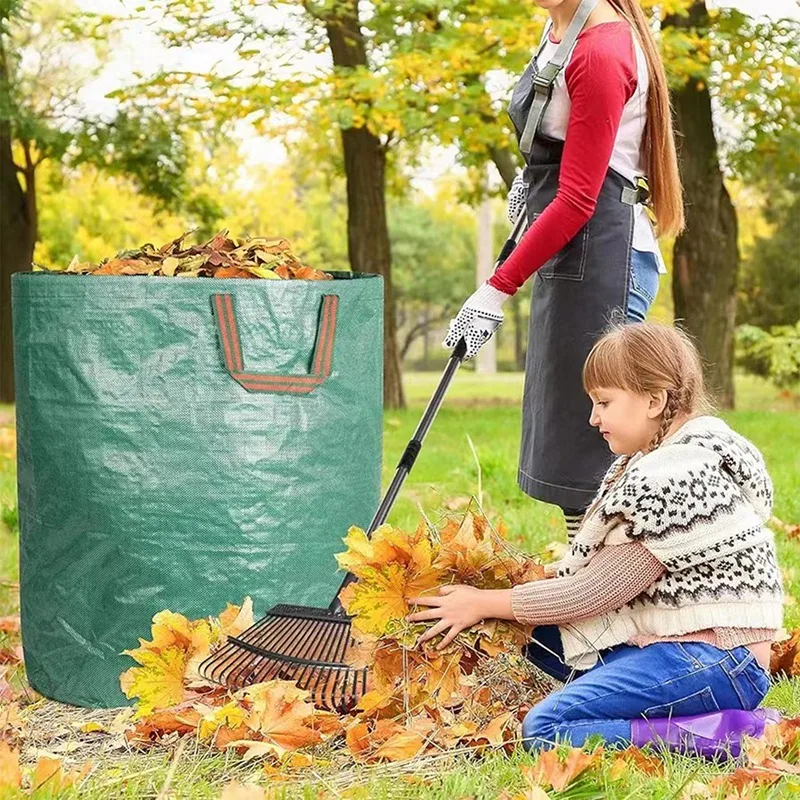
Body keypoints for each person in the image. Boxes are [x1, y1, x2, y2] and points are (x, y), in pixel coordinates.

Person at [409, 323, 783, 758]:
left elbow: (594, 591)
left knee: (545, 729)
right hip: (686, 649)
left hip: (717, 663)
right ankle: (663, 711)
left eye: (604, 402)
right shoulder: (662, 458)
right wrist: (505, 594)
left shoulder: (675, 477)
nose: (594, 418)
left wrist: (481, 602)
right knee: (531, 630)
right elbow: (591, 578)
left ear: (654, 400)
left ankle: (719, 735)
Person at [443, 0, 685, 543]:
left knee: (597, 448)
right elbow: (563, 142)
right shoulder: (560, 27)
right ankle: (586, 589)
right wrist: (531, 179)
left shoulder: (601, 50)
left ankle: (615, 596)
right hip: (569, 246)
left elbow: (578, 199)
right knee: (571, 440)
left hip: (601, 251)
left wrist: (494, 289)